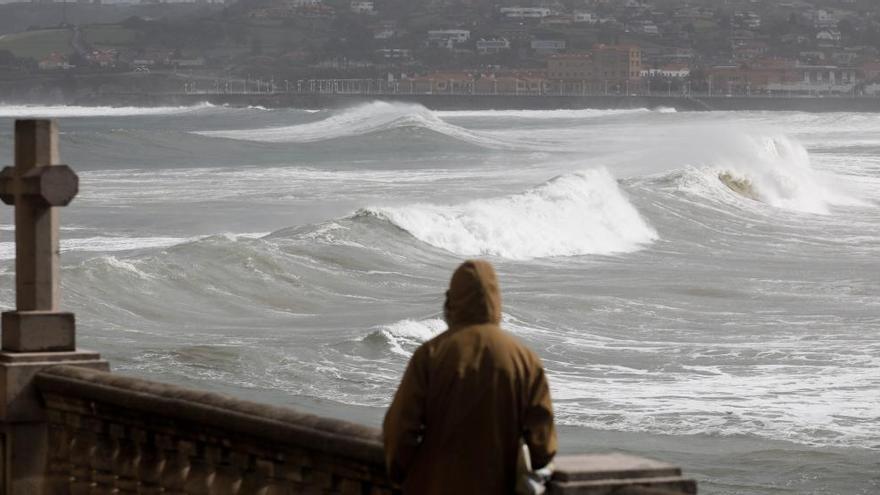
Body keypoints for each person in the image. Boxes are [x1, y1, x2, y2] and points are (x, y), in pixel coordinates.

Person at [383, 259, 557, 494]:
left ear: (451, 300)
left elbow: (402, 428)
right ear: (495, 300)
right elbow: (542, 442)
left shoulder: (431, 354)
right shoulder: (525, 360)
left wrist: (399, 475)